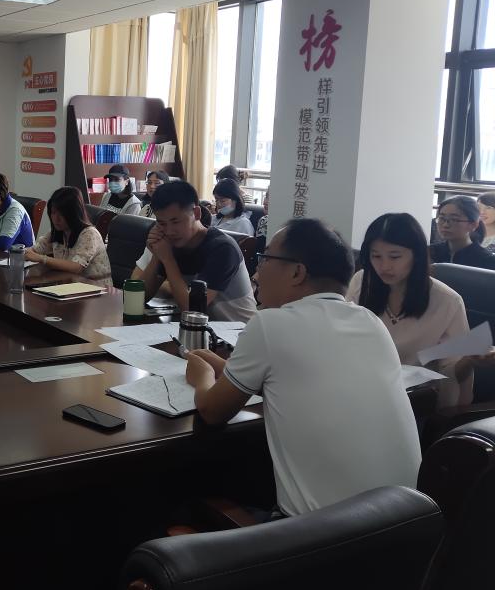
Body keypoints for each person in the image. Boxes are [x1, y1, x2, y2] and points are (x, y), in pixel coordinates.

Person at [184, 218, 421, 518]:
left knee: (182, 503)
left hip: (318, 536)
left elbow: (212, 411)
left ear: (297, 272)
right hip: (404, 524)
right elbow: (300, 379)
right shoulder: (370, 321)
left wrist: (203, 376)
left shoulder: (270, 324)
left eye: (265, 258)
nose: (256, 271)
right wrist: (225, 367)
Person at [348, 213, 492, 407]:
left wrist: (470, 360)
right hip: (359, 387)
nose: (384, 266)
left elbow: (450, 370)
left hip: (412, 400)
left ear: (416, 255)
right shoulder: (362, 281)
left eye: (395, 257)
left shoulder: (447, 301)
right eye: (376, 256)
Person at [131, 181, 256, 322]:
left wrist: (167, 259)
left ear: (196, 213)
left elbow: (192, 309)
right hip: (199, 330)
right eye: (162, 223)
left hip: (237, 331)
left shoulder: (223, 248)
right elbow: (139, 298)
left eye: (176, 222)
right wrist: (157, 255)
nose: (169, 231)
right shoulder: (170, 244)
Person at [25, 187, 111, 280]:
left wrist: (42, 258)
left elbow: (76, 267)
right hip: (68, 283)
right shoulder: (58, 231)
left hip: (95, 285)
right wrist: (22, 253)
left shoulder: (89, 234)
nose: (56, 219)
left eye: (62, 214)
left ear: (74, 214)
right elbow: (35, 250)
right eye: (53, 213)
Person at [429, 196, 495, 270]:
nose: (445, 225)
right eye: (442, 218)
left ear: (473, 225)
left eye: (454, 219)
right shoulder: (429, 252)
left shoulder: (488, 260)